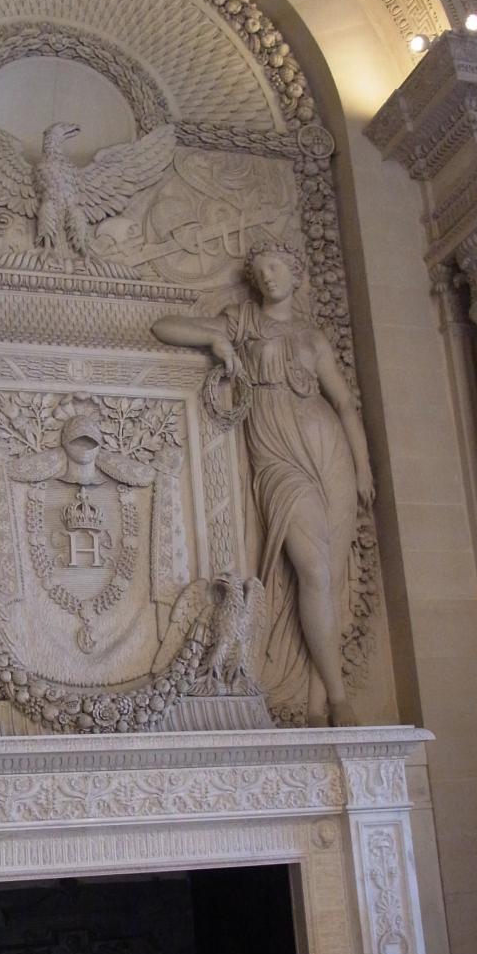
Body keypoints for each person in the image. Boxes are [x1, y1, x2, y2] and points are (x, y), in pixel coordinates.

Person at [151, 242, 374, 725]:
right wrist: (215, 341)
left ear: (295, 273)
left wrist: (362, 468)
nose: (268, 276)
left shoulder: (313, 337)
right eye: (259, 272)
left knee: (330, 578)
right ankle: (339, 696)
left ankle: (318, 704)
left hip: (330, 452)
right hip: (277, 457)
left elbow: (343, 404)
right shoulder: (243, 322)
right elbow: (164, 326)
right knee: (313, 571)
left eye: (275, 267)